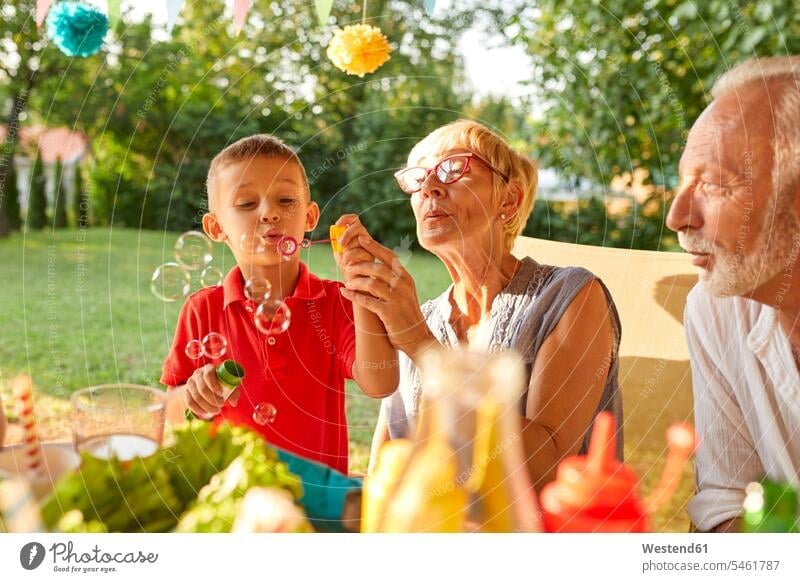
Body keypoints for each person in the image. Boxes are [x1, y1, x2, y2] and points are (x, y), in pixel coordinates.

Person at [336, 119, 623, 489]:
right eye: (418, 179)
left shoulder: (569, 296)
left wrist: (421, 345)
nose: (431, 188)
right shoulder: (420, 318)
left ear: (509, 199)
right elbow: (383, 475)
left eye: (454, 170)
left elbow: (547, 468)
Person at [161, 134, 398, 473]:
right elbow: (170, 412)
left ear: (310, 217)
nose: (270, 213)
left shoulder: (337, 303)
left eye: (286, 200)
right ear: (216, 227)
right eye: (246, 204)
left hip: (316, 508)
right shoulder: (202, 310)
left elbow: (380, 383)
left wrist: (359, 283)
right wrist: (190, 396)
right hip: (232, 499)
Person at [666, 56, 800, 532]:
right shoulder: (714, 308)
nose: (678, 217)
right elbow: (724, 499)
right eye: (683, 182)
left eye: (716, 184)